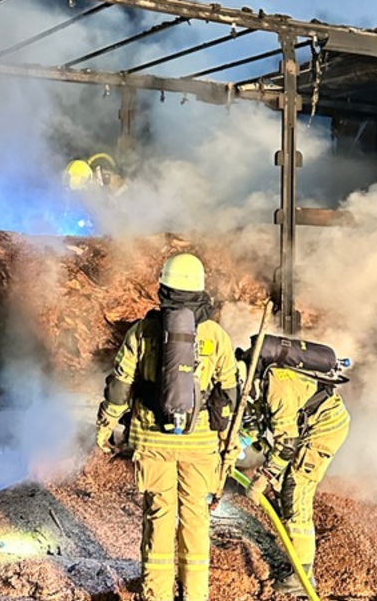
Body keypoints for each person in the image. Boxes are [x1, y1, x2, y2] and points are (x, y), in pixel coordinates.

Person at [95, 253, 238, 601]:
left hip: (152, 441)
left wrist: (105, 424)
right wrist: (227, 445)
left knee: (159, 514)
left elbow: (119, 386)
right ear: (201, 291)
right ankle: (195, 594)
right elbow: (229, 396)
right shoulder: (216, 336)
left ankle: (156, 594)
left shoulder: (143, 332)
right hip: (200, 444)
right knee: (195, 518)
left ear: (163, 288)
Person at [244, 337, 351, 596]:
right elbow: (253, 427)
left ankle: (300, 576)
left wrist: (263, 478)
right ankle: (293, 554)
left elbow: (286, 444)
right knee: (287, 486)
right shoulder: (257, 380)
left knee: (296, 487)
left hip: (325, 429)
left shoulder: (276, 387)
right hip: (308, 427)